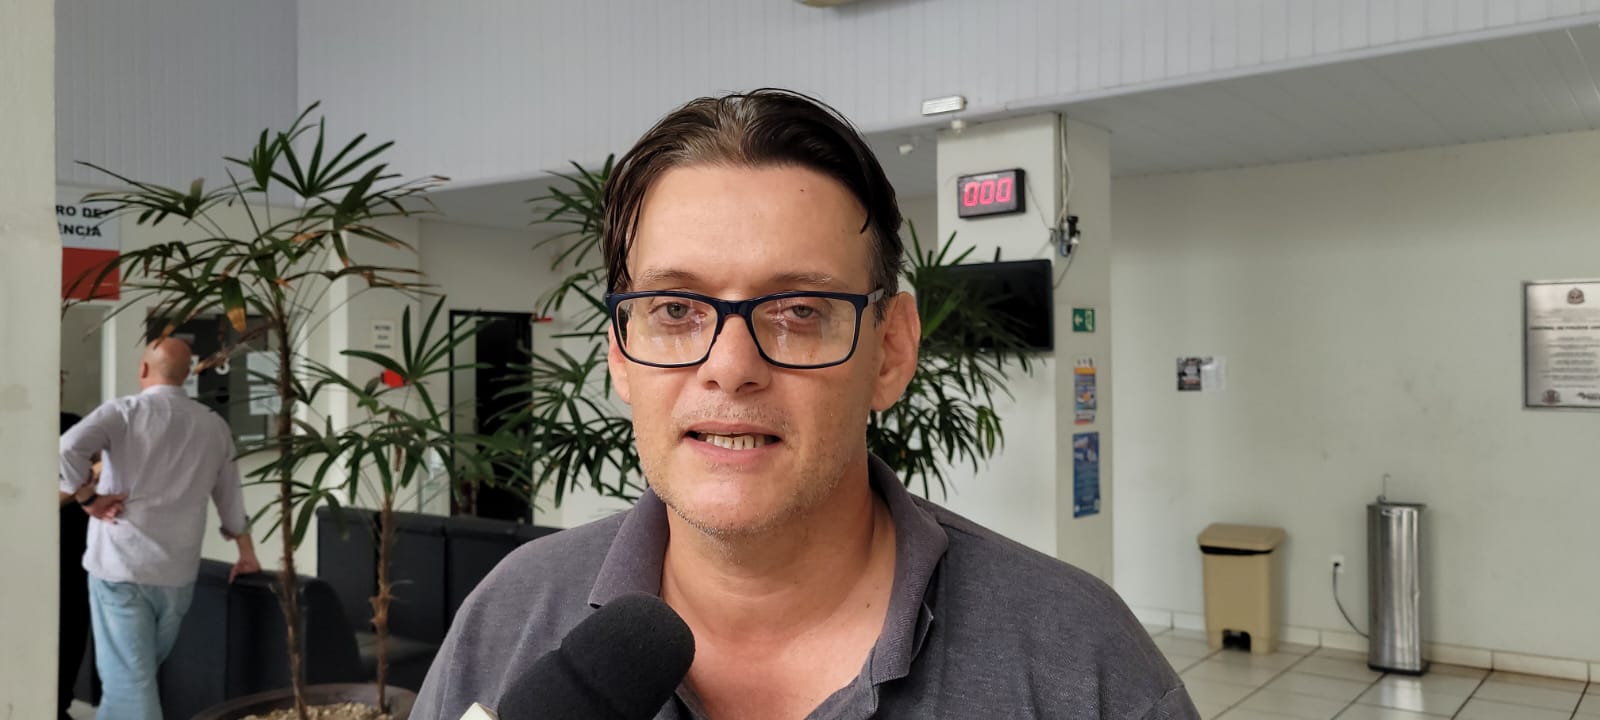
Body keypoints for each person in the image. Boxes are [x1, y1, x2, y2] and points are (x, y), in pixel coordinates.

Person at [415, 89, 1198, 719]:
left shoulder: (1080, 660)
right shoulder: (510, 614)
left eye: (797, 310)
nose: (730, 368)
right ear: (620, 353)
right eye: (676, 310)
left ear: (892, 351)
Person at [59, 337, 260, 720]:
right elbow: (230, 497)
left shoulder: (123, 412)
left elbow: (67, 448)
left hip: (120, 568)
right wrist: (246, 552)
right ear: (187, 374)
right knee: (134, 679)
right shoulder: (213, 425)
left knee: (130, 685)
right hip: (176, 575)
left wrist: (88, 499)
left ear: (143, 369)